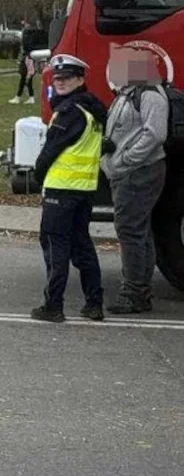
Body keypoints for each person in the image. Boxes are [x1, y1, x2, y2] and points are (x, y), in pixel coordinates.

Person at [30, 54, 108, 323]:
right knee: (82, 246)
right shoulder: (92, 110)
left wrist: (37, 175)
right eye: (57, 78)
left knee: (55, 247)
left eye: (67, 78)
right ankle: (94, 304)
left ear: (80, 80)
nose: (60, 82)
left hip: (61, 190)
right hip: (84, 190)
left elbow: (51, 150)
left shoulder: (69, 112)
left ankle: (53, 306)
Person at [101, 48, 169, 314]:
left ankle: (133, 292)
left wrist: (126, 158)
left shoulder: (150, 94)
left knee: (130, 231)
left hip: (139, 171)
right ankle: (140, 290)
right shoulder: (128, 93)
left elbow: (155, 135)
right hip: (127, 171)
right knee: (139, 231)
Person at [10, 20, 38, 105]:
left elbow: (25, 47)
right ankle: (29, 97)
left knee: (24, 77)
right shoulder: (33, 35)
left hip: (27, 58)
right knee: (27, 78)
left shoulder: (27, 35)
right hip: (31, 57)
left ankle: (19, 97)